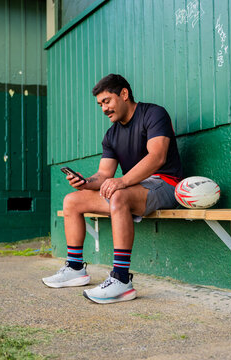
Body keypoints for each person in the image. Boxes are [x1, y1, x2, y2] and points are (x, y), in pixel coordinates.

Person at [42, 74, 183, 304]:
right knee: (72, 200)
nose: (104, 108)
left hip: (165, 184)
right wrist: (85, 182)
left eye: (107, 101)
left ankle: (121, 279)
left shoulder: (154, 113)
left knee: (118, 195)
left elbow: (157, 157)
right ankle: (76, 268)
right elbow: (104, 175)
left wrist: (123, 181)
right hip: (134, 188)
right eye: (100, 104)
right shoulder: (112, 134)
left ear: (124, 94)